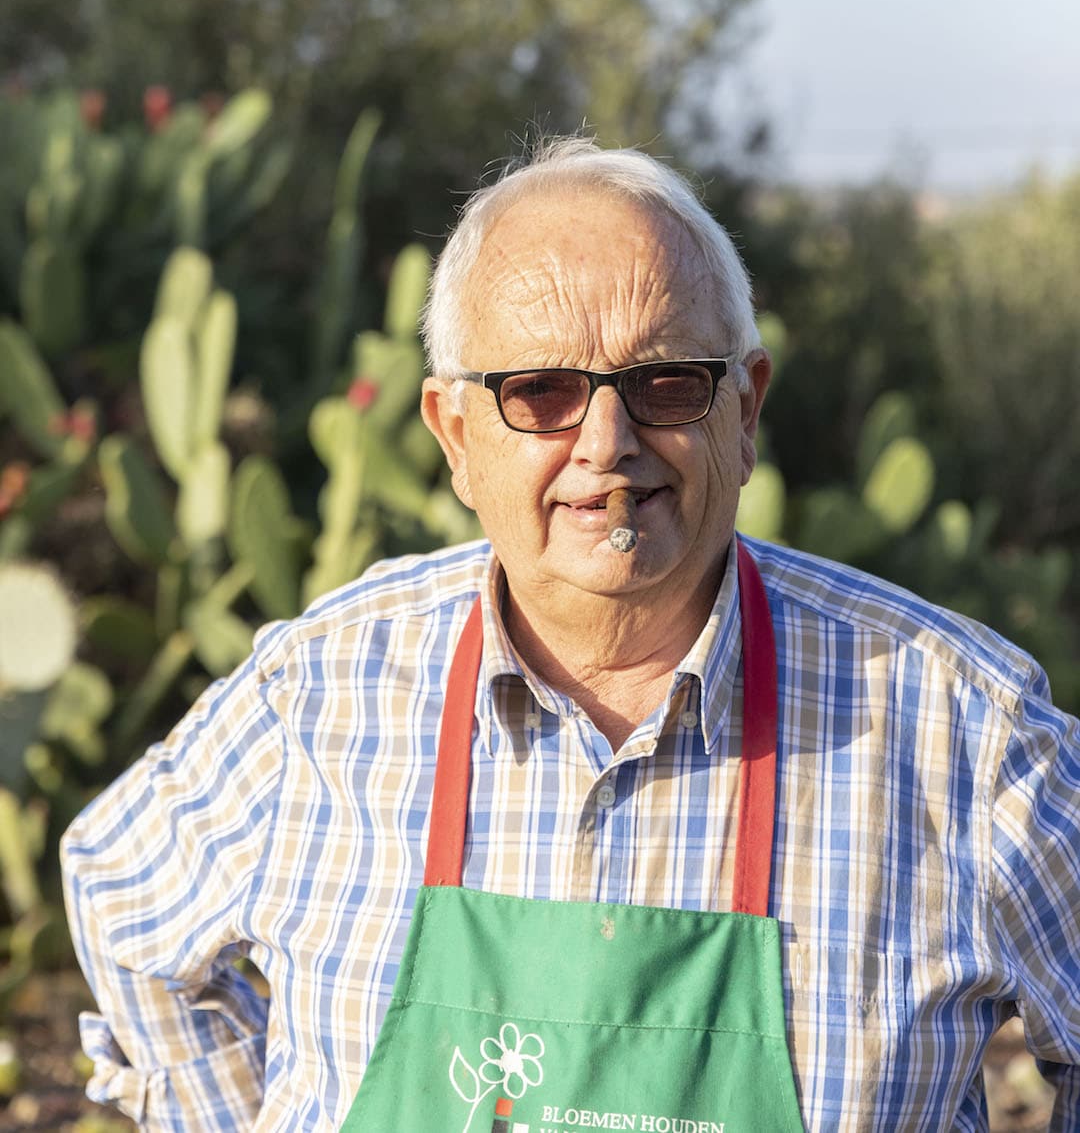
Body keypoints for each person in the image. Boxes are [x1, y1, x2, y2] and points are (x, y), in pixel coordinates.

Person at [62, 137, 1080, 1133]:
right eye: (540, 391)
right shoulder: (322, 690)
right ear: (456, 435)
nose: (607, 444)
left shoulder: (964, 732)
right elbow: (119, 893)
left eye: (666, 381)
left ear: (746, 407)